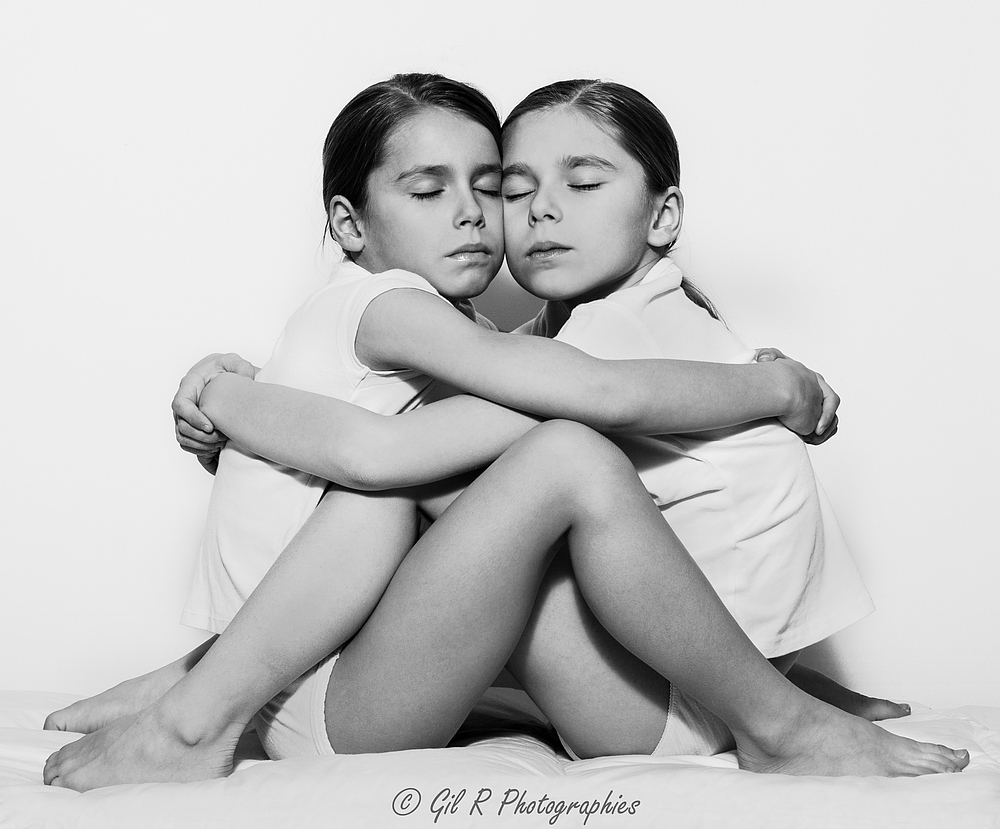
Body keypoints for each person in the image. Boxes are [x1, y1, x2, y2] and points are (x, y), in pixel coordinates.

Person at [42, 75, 967, 790]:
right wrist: (228, 395)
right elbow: (396, 454)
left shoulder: (533, 341)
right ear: (349, 223)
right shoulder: (433, 319)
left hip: (560, 692)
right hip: (348, 691)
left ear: (664, 213)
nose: (490, 214)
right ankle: (195, 703)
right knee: (537, 462)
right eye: (441, 190)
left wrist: (228, 393)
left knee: (531, 465)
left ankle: (780, 714)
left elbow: (566, 407)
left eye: (489, 188)